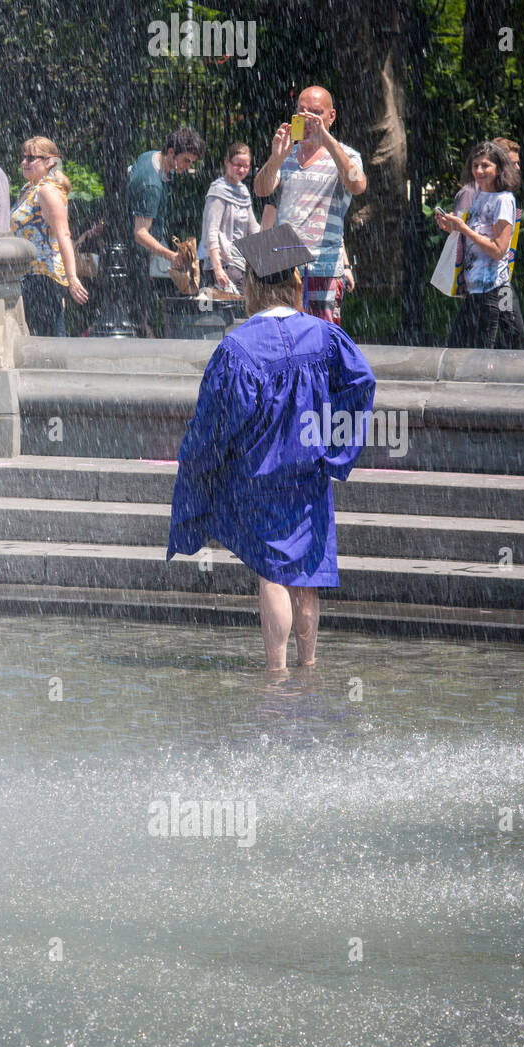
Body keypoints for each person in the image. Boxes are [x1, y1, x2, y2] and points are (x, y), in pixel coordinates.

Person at [166, 224, 376, 673]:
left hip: (259, 473)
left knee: (274, 573)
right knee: (307, 573)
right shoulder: (323, 336)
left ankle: (276, 672)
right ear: (295, 283)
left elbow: (216, 422)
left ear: (251, 285)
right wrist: (334, 449)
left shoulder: (239, 347)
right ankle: (309, 665)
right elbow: (362, 382)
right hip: (310, 472)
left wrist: (197, 460)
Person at [253, 85, 366, 325]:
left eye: (315, 113)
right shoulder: (286, 155)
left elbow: (358, 186)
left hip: (323, 269)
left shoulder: (345, 156)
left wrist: (325, 138)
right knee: (285, 337)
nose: (307, 119)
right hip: (285, 270)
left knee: (322, 339)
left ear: (331, 116)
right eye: (302, 112)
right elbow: (261, 190)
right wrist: (275, 159)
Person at [436, 141, 521, 350]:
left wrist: (464, 228)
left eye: (485, 165)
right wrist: (452, 227)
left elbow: (499, 250)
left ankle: (504, 377)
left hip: (493, 289)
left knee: (492, 346)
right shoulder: (479, 196)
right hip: (480, 288)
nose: (479, 171)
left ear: (499, 168)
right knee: (512, 335)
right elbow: (475, 236)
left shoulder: (503, 199)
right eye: (475, 165)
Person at [125, 126, 205, 335]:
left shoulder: (150, 156)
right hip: (133, 254)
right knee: (138, 314)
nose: (188, 167)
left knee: (139, 310)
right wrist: (171, 256)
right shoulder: (151, 185)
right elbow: (140, 233)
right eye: (186, 160)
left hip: (141, 251)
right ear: (171, 152)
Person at [10, 136, 89, 336]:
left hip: (44, 278)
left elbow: (64, 234)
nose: (24, 162)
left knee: (46, 342)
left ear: (49, 163)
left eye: (30, 158)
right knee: (38, 340)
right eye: (23, 157)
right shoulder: (29, 189)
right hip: (29, 276)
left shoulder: (47, 191)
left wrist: (72, 278)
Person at [199, 142, 259, 293]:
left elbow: (254, 230)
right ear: (227, 162)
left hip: (239, 265)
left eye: (246, 166)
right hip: (222, 267)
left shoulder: (243, 191)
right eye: (237, 165)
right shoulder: (218, 191)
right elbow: (210, 232)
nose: (242, 170)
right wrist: (218, 269)